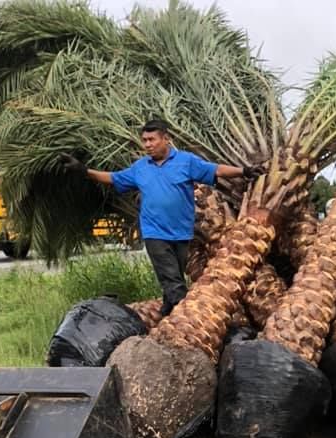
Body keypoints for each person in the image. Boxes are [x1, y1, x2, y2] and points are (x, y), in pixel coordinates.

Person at [61, 119, 264, 316]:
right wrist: (84, 171)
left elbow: (216, 169)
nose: (147, 145)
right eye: (145, 140)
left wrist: (244, 171)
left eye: (152, 139)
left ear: (166, 139)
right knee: (172, 280)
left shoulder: (186, 161)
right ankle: (186, 318)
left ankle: (167, 309)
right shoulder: (140, 167)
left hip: (182, 232)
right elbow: (113, 178)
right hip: (154, 232)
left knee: (174, 276)